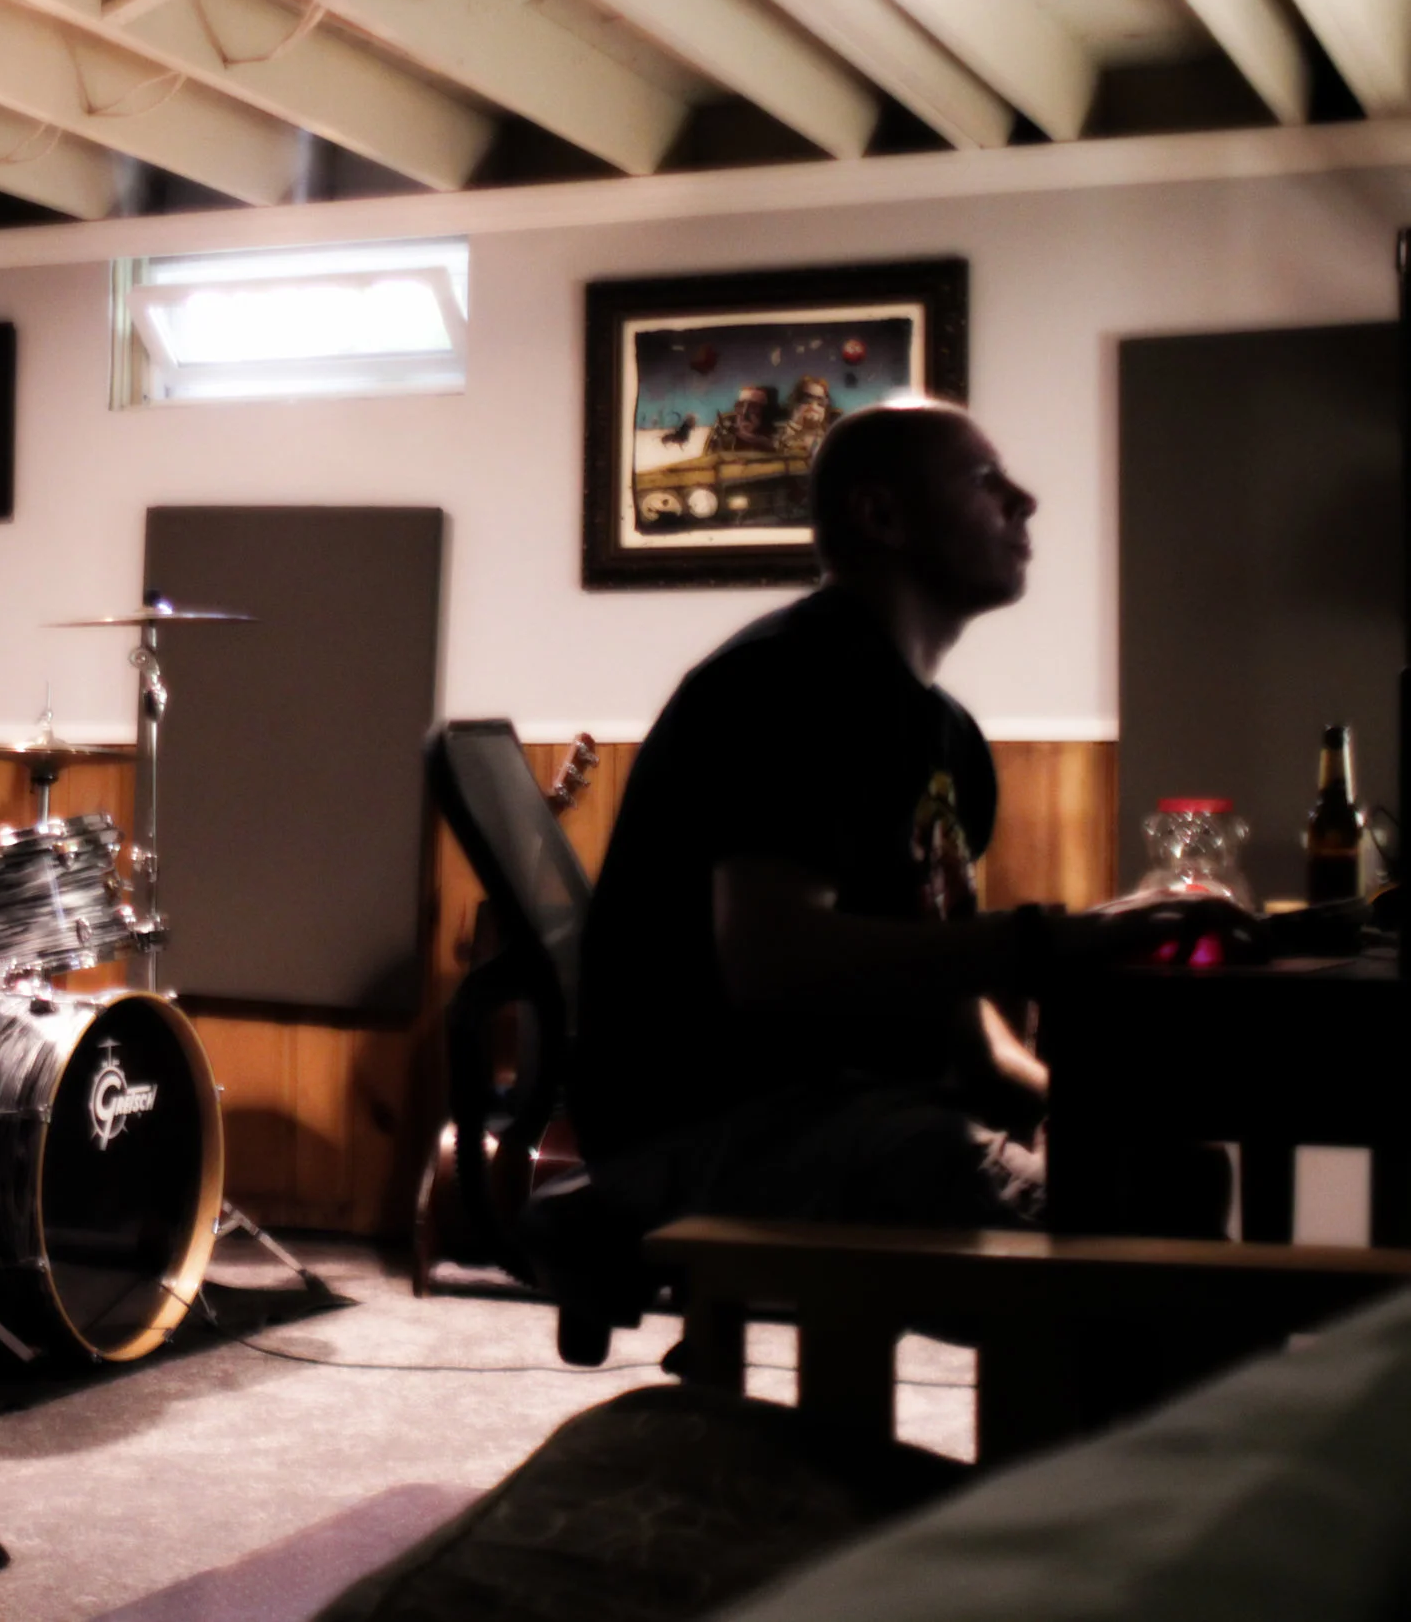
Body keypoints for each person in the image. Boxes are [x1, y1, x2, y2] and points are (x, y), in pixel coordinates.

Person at [528, 398, 1242, 1359]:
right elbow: (771, 961)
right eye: (985, 481)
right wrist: (1058, 940)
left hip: (854, 1106)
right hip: (723, 1122)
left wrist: (1062, 1097)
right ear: (881, 515)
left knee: (1176, 1171)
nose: (1025, 501)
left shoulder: (946, 736)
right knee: (1151, 1275)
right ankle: (619, 1208)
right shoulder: (788, 685)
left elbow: (958, 1015)